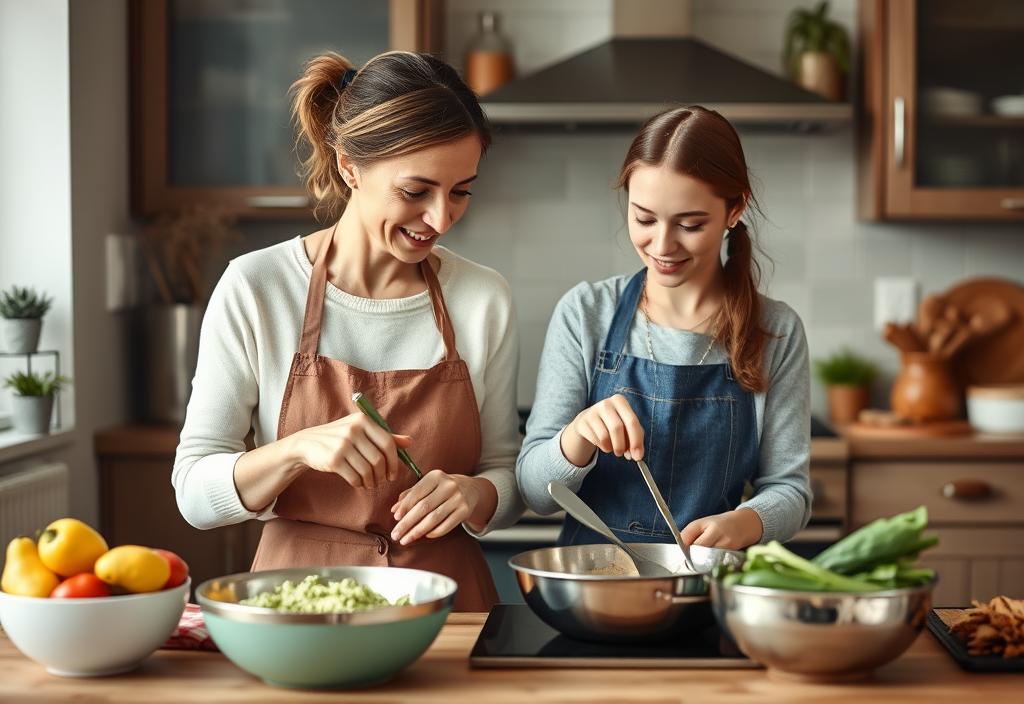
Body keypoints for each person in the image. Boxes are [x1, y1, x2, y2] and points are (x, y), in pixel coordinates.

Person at [173, 50, 523, 611]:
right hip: (299, 607)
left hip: (445, 611)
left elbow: (505, 474)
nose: (440, 218)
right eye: (415, 191)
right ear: (348, 166)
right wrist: (295, 451)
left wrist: (477, 492)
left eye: (460, 191)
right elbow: (193, 491)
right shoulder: (258, 287)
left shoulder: (482, 298)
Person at [517, 106, 811, 551]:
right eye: (644, 219)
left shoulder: (777, 331)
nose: (662, 245)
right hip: (593, 587)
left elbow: (791, 491)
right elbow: (535, 493)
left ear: (735, 208)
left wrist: (746, 523)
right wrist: (577, 436)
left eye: (690, 225)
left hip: (705, 590)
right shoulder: (585, 313)